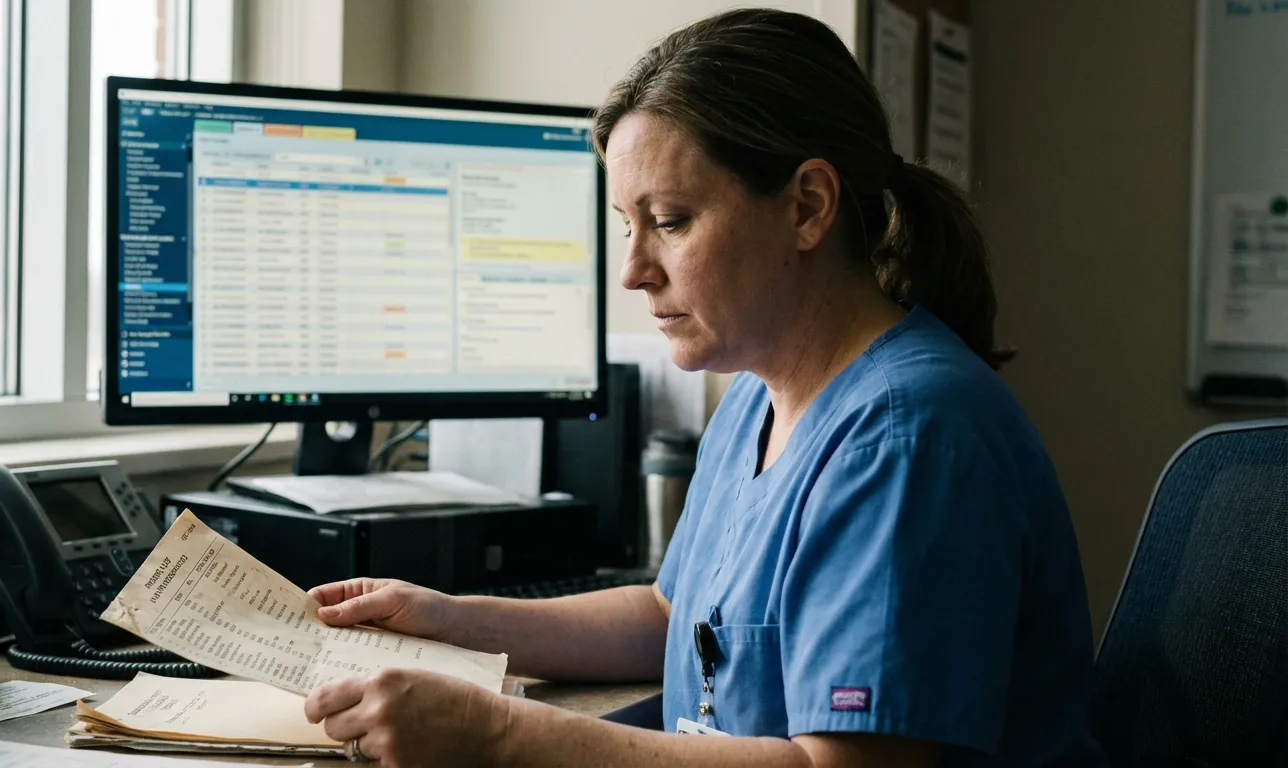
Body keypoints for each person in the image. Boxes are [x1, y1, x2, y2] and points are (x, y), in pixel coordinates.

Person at [301, 8, 1108, 767]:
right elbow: (670, 615)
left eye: (672, 221)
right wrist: (450, 618)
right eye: (628, 225)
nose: (632, 270)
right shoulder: (760, 395)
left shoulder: (907, 437)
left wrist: (499, 732)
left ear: (808, 206)